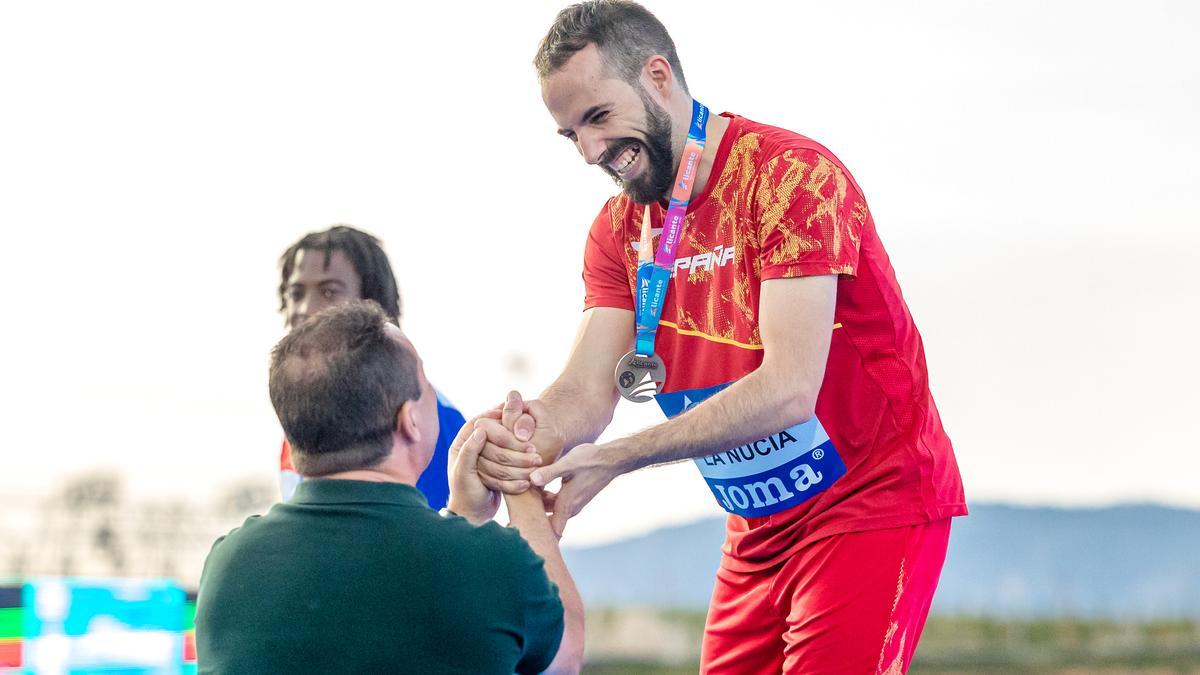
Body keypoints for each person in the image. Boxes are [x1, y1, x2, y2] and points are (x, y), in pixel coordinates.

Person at [476, 1, 967, 672]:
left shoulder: (792, 177)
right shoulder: (619, 231)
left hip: (868, 502)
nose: (591, 152)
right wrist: (520, 434)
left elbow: (789, 390)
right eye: (570, 136)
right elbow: (585, 392)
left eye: (597, 118)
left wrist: (620, 457)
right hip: (756, 529)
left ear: (657, 76)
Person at [195, 301, 584, 674]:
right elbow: (563, 653)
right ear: (409, 419)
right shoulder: (493, 563)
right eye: (426, 383)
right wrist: (521, 479)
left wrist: (465, 512)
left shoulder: (228, 565)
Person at [275, 224, 465, 509]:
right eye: (296, 294)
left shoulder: (431, 418)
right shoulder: (303, 421)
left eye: (329, 292)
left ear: (374, 305)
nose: (305, 309)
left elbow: (439, 537)